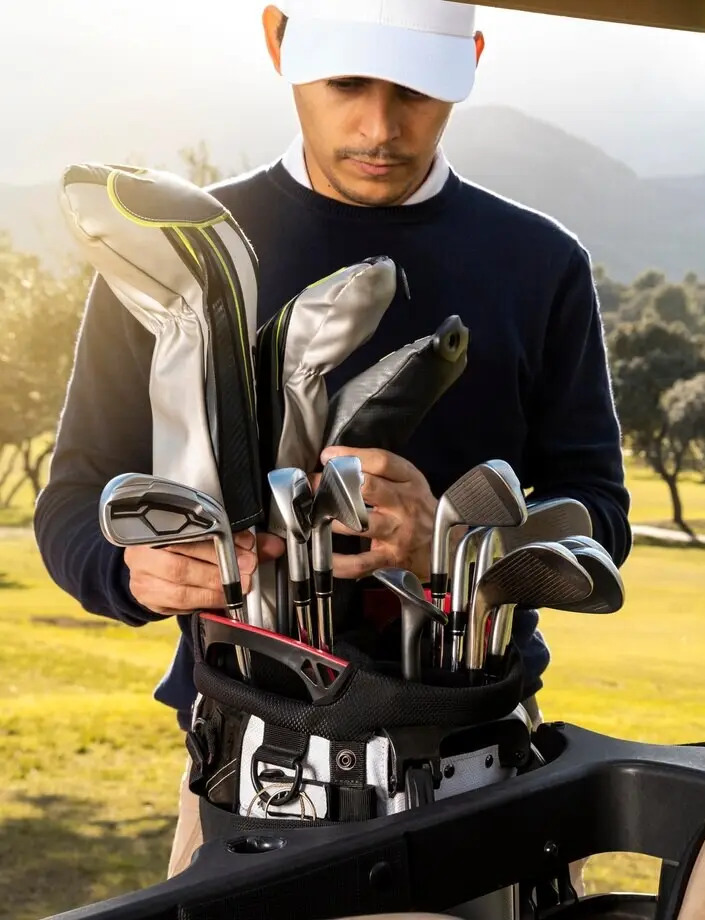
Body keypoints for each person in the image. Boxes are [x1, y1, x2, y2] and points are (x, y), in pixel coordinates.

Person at [32, 0, 631, 892]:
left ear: (469, 59)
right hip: (247, 761)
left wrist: (449, 541)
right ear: (279, 42)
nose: (379, 126)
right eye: (347, 83)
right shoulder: (176, 253)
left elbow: (599, 516)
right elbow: (75, 501)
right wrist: (129, 573)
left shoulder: (542, 262)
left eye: (417, 91)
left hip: (482, 764)